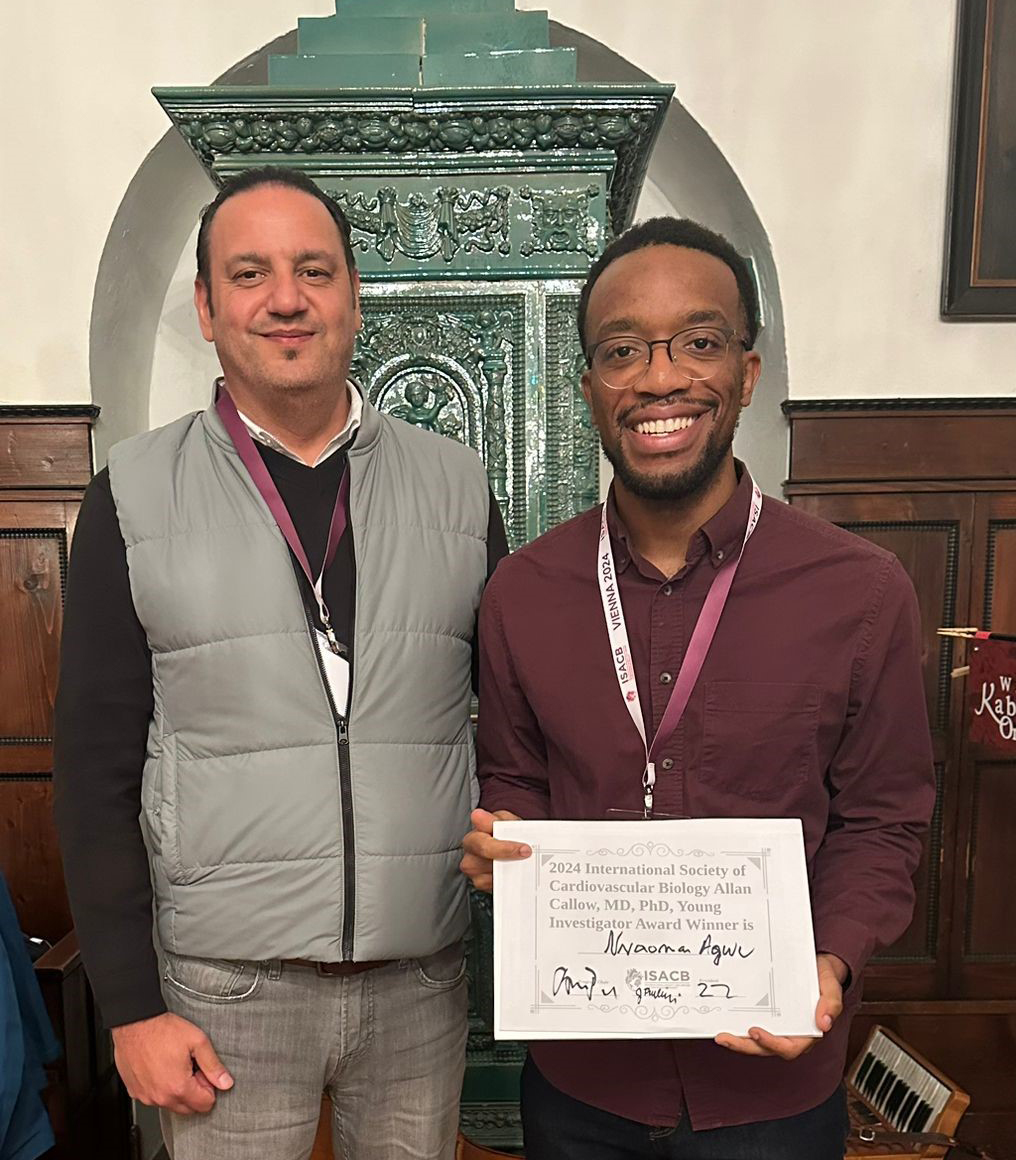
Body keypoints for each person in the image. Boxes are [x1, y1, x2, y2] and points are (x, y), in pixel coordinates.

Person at [54, 166, 507, 1160]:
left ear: (353, 294)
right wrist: (131, 1005)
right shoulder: (132, 493)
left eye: (313, 269)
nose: (286, 297)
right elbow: (92, 772)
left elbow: (509, 729)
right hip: (221, 988)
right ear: (209, 310)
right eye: (249, 273)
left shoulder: (456, 485)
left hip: (418, 977)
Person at [460, 217, 935, 1160]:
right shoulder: (523, 591)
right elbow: (513, 779)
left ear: (747, 374)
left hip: (774, 1086)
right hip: (581, 1084)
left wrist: (829, 957)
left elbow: (884, 817)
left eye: (700, 342)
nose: (661, 377)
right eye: (623, 350)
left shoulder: (861, 590)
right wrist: (499, 842)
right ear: (590, 388)